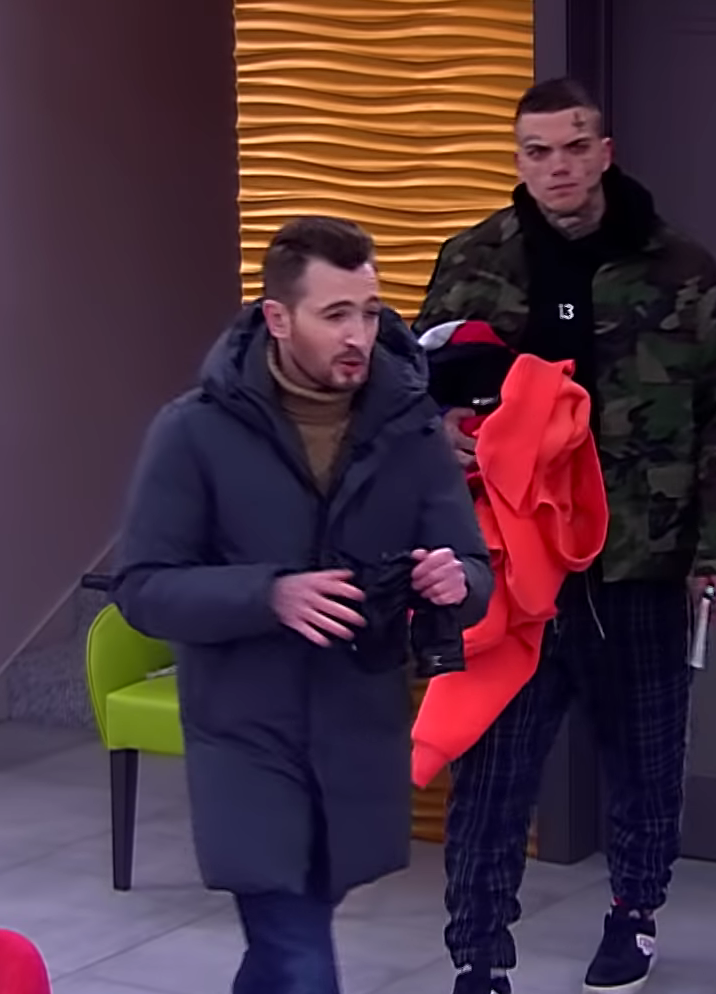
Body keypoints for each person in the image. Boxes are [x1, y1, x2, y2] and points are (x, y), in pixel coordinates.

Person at [415, 78, 716, 994]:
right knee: (494, 774)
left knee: (646, 761)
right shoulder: (473, 260)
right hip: (513, 569)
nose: (557, 168)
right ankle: (478, 956)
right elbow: (416, 392)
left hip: (642, 561)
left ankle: (633, 916)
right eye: (537, 152)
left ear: (604, 153)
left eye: (574, 148)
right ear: (519, 159)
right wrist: (443, 431)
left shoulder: (680, 269)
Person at [112, 215, 494, 994]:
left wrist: (454, 582)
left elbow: (473, 571)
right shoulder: (192, 432)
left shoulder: (410, 430)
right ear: (278, 318)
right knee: (298, 956)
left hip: (357, 734)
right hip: (245, 735)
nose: (358, 336)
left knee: (287, 946)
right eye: (335, 314)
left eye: (369, 312)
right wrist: (268, 595)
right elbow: (142, 586)